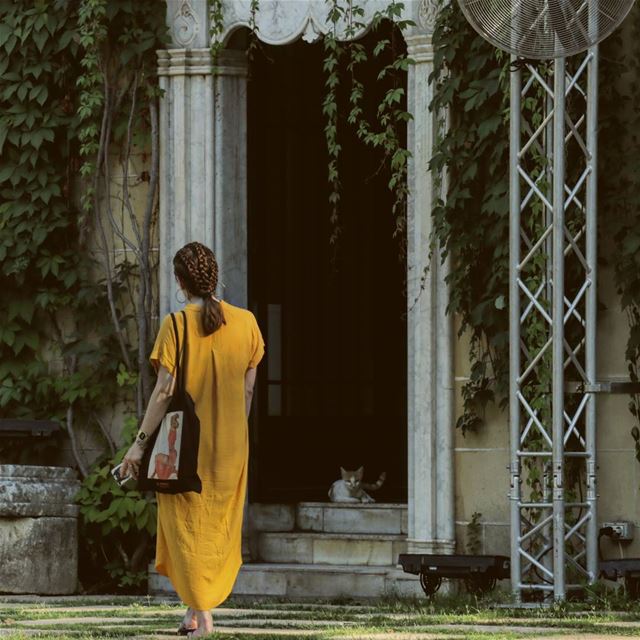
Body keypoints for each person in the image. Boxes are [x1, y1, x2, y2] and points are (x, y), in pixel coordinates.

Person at [120, 241, 265, 637]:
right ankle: (192, 610)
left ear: (180, 281)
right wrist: (233, 426)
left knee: (185, 525)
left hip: (185, 447)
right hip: (233, 445)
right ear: (213, 277)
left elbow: (165, 391)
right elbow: (248, 390)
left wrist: (139, 444)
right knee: (216, 525)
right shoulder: (247, 323)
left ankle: (203, 614)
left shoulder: (177, 325)